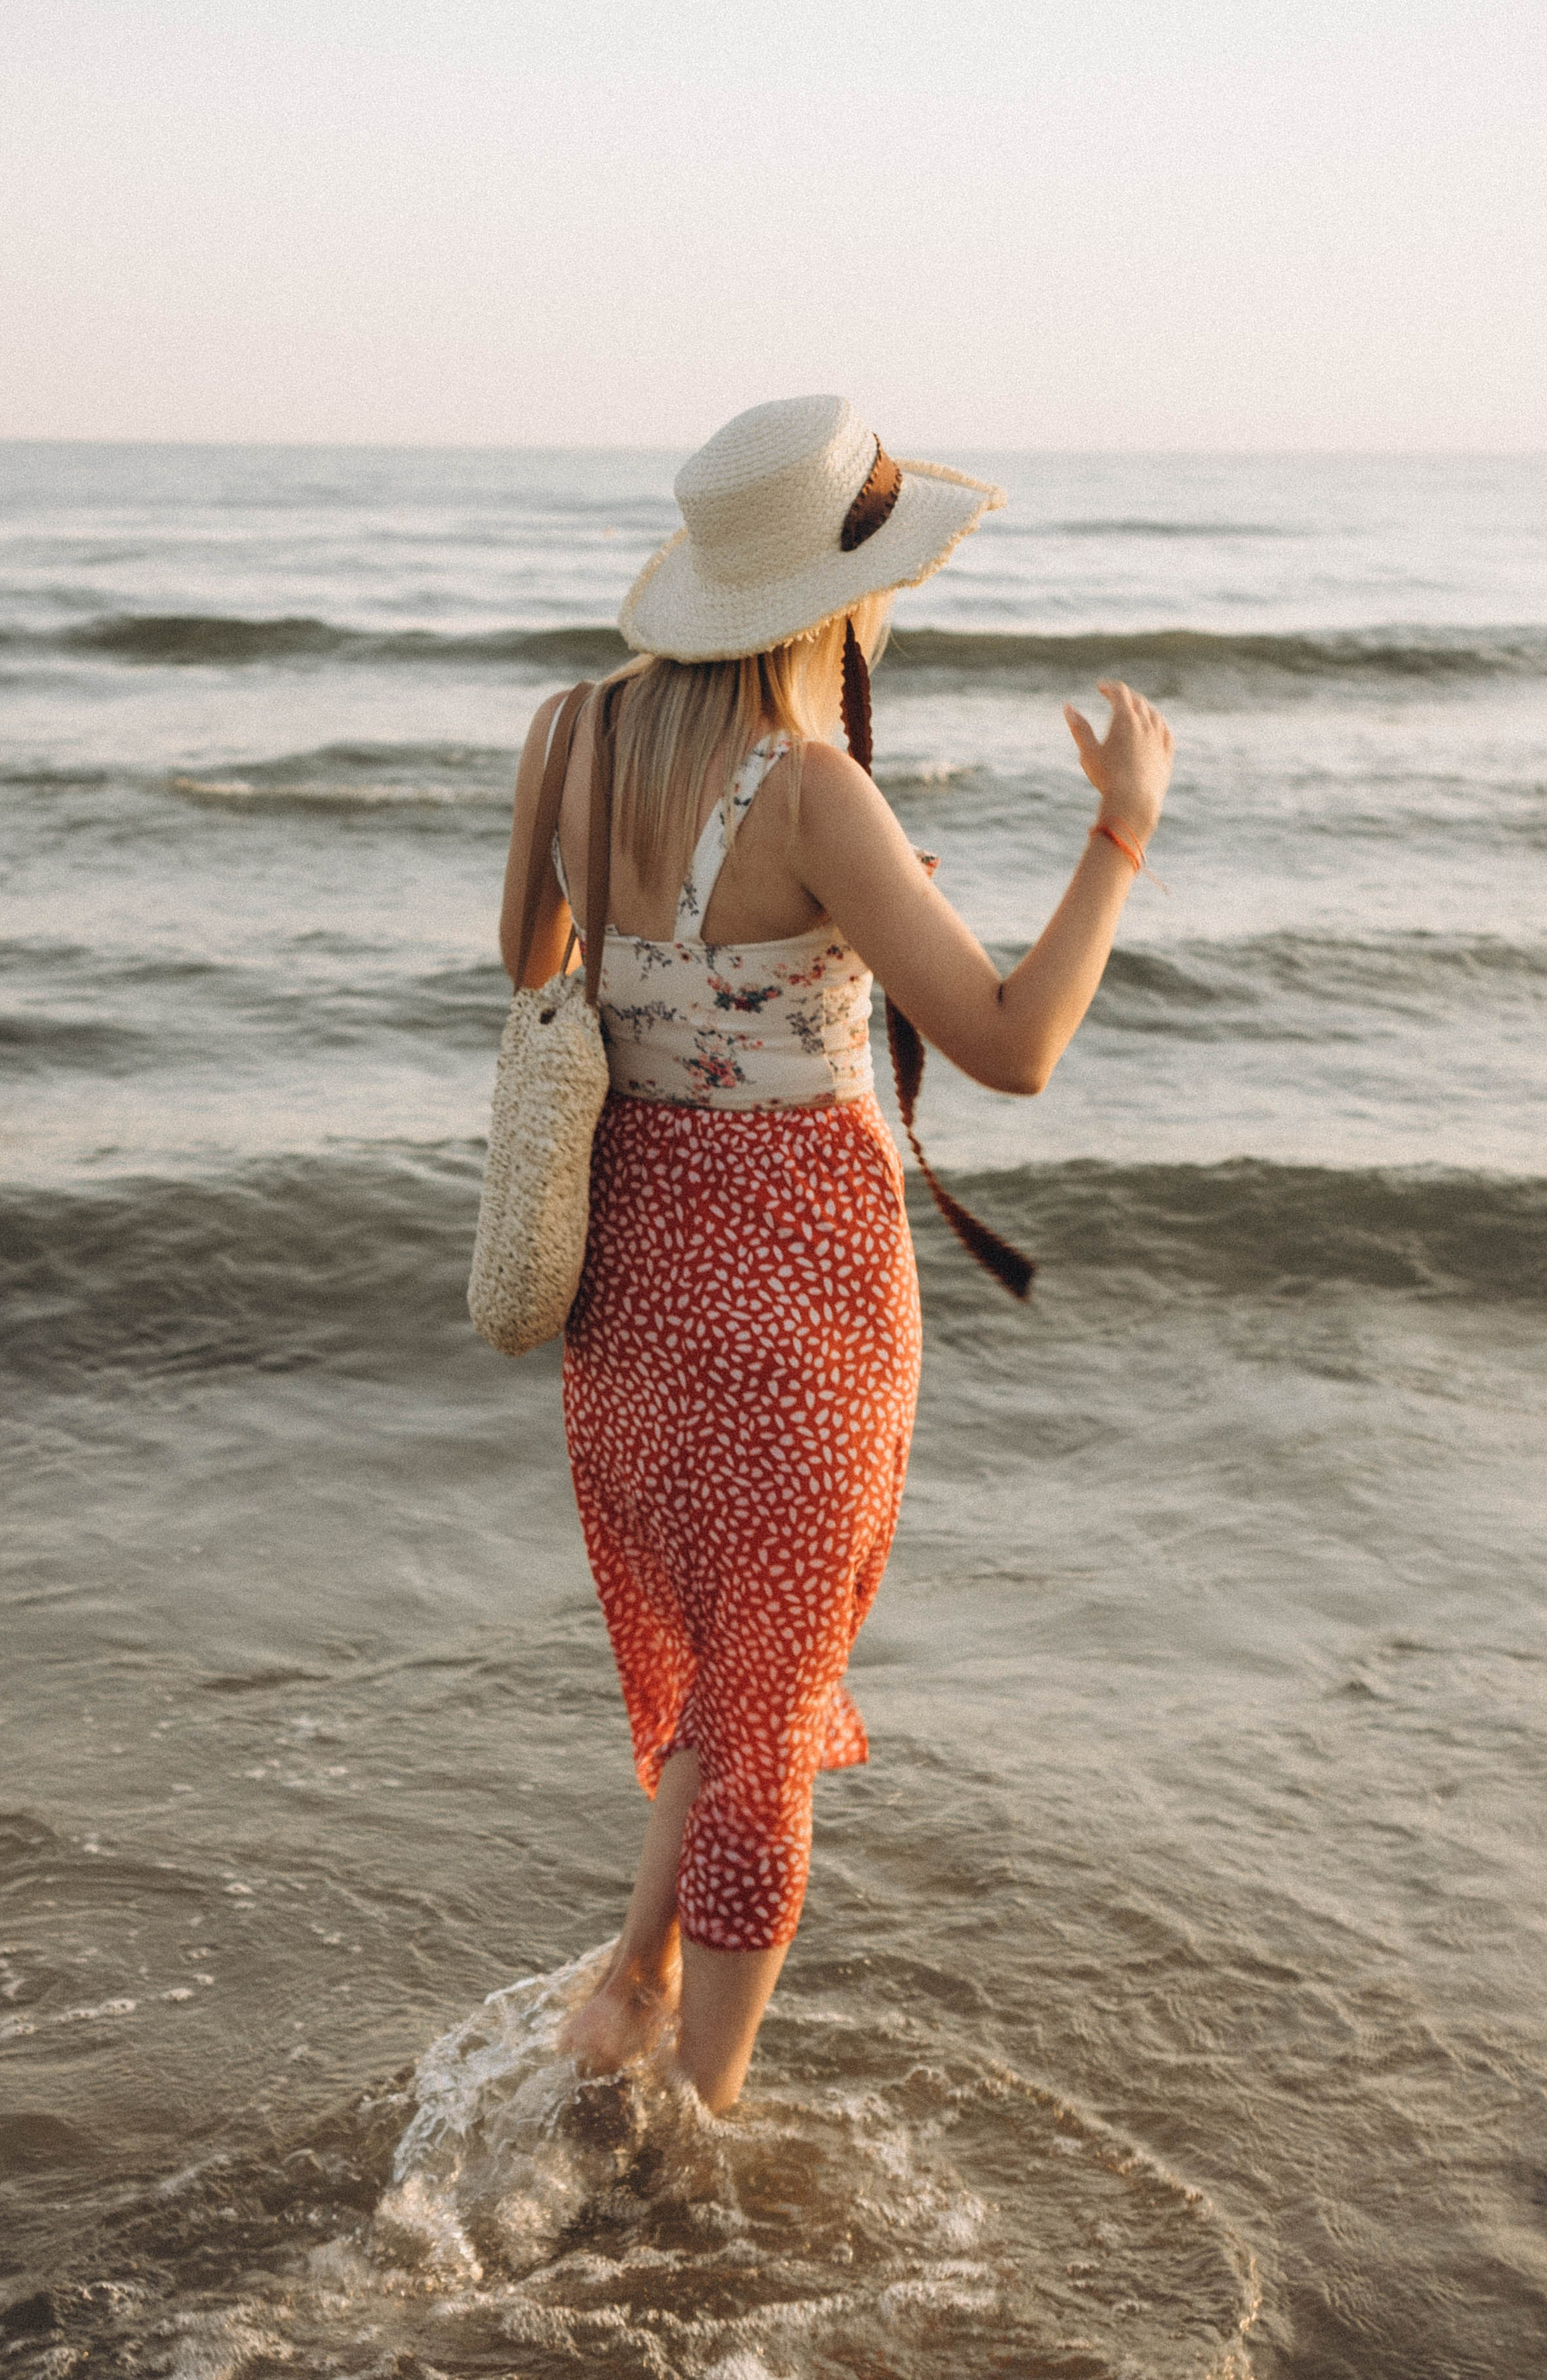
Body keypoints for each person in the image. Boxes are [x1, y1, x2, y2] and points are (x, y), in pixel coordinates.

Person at [497, 396, 1174, 2114]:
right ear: (830, 600)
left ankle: (630, 1991)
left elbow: (537, 959)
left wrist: (751, 963)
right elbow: (1013, 1046)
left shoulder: (566, 732)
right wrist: (1120, 834)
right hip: (802, 1303)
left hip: (628, 1292)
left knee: (726, 1664)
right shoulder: (811, 791)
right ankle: (699, 2135)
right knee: (773, 1711)